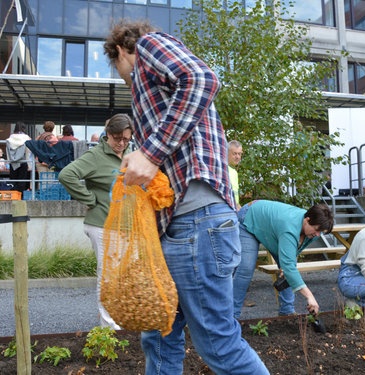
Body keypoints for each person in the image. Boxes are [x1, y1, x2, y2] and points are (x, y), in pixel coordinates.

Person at [103, 20, 269, 375]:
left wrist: (149, 153)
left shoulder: (147, 46)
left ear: (119, 51)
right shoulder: (155, 87)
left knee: (218, 345)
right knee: (160, 337)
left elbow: (202, 79)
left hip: (199, 224)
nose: (124, 79)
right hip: (182, 228)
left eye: (119, 71)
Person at [58, 113, 133, 330]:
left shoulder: (129, 153)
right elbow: (67, 175)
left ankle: (121, 321)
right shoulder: (95, 156)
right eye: (117, 138)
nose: (121, 143)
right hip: (102, 224)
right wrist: (90, 199)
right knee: (109, 277)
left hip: (125, 225)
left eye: (126, 139)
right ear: (108, 134)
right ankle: (110, 328)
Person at [233, 200, 334, 318]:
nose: (318, 235)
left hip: (272, 228)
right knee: (246, 269)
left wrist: (286, 267)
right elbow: (289, 268)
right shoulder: (289, 229)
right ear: (307, 220)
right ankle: (231, 317)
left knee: (287, 269)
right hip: (250, 216)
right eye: (316, 230)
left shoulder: (312, 230)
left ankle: (287, 313)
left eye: (321, 232)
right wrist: (309, 296)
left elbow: (290, 263)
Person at [6, 122, 31, 192]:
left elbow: (8, 150)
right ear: (24, 129)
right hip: (23, 161)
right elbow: (29, 151)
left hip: (13, 163)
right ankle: (20, 196)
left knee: (13, 181)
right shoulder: (26, 137)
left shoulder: (10, 137)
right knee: (22, 181)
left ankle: (13, 196)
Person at [228, 140, 243, 210]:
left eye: (239, 154)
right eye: (234, 154)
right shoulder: (223, 169)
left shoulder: (234, 172)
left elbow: (235, 199)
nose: (237, 157)